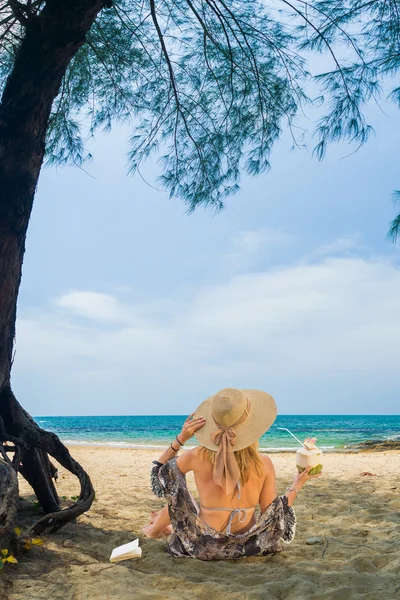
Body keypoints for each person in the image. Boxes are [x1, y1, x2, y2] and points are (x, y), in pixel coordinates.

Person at [143, 388, 322, 560]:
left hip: (204, 545)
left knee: (178, 494)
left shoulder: (195, 456)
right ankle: (163, 526)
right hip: (247, 547)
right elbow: (273, 513)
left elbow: (161, 474)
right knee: (180, 495)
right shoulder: (263, 463)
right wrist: (299, 482)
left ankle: (155, 529)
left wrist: (180, 439)